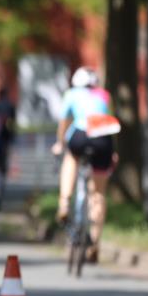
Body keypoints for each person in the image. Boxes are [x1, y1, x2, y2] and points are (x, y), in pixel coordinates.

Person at [51, 67, 118, 263]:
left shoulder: (72, 94)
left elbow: (64, 122)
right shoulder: (105, 95)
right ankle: (95, 244)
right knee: (98, 193)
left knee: (71, 159)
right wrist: (113, 151)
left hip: (80, 135)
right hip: (103, 139)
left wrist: (60, 143)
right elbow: (112, 122)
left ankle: (64, 202)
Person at [0, 85, 17, 178]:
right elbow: (13, 121)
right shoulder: (10, 106)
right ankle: (2, 170)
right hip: (6, 134)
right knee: (4, 154)